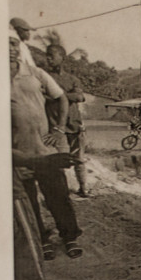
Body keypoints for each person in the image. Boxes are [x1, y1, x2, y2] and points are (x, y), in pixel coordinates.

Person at [10, 32, 81, 260]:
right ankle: (42, 240)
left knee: (58, 197)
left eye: (12, 44)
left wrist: (58, 129)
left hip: (44, 149)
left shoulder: (34, 73)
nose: (9, 49)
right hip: (18, 153)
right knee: (29, 201)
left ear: (19, 47)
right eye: (3, 45)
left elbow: (61, 98)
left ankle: (69, 237)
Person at [43, 42, 91, 197]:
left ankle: (83, 188)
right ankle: (61, 192)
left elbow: (80, 96)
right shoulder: (44, 78)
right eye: (47, 55)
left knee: (79, 159)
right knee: (60, 160)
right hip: (56, 126)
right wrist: (64, 96)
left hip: (75, 124)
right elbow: (42, 97)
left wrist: (58, 96)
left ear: (61, 58)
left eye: (52, 55)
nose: (48, 59)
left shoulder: (72, 79)